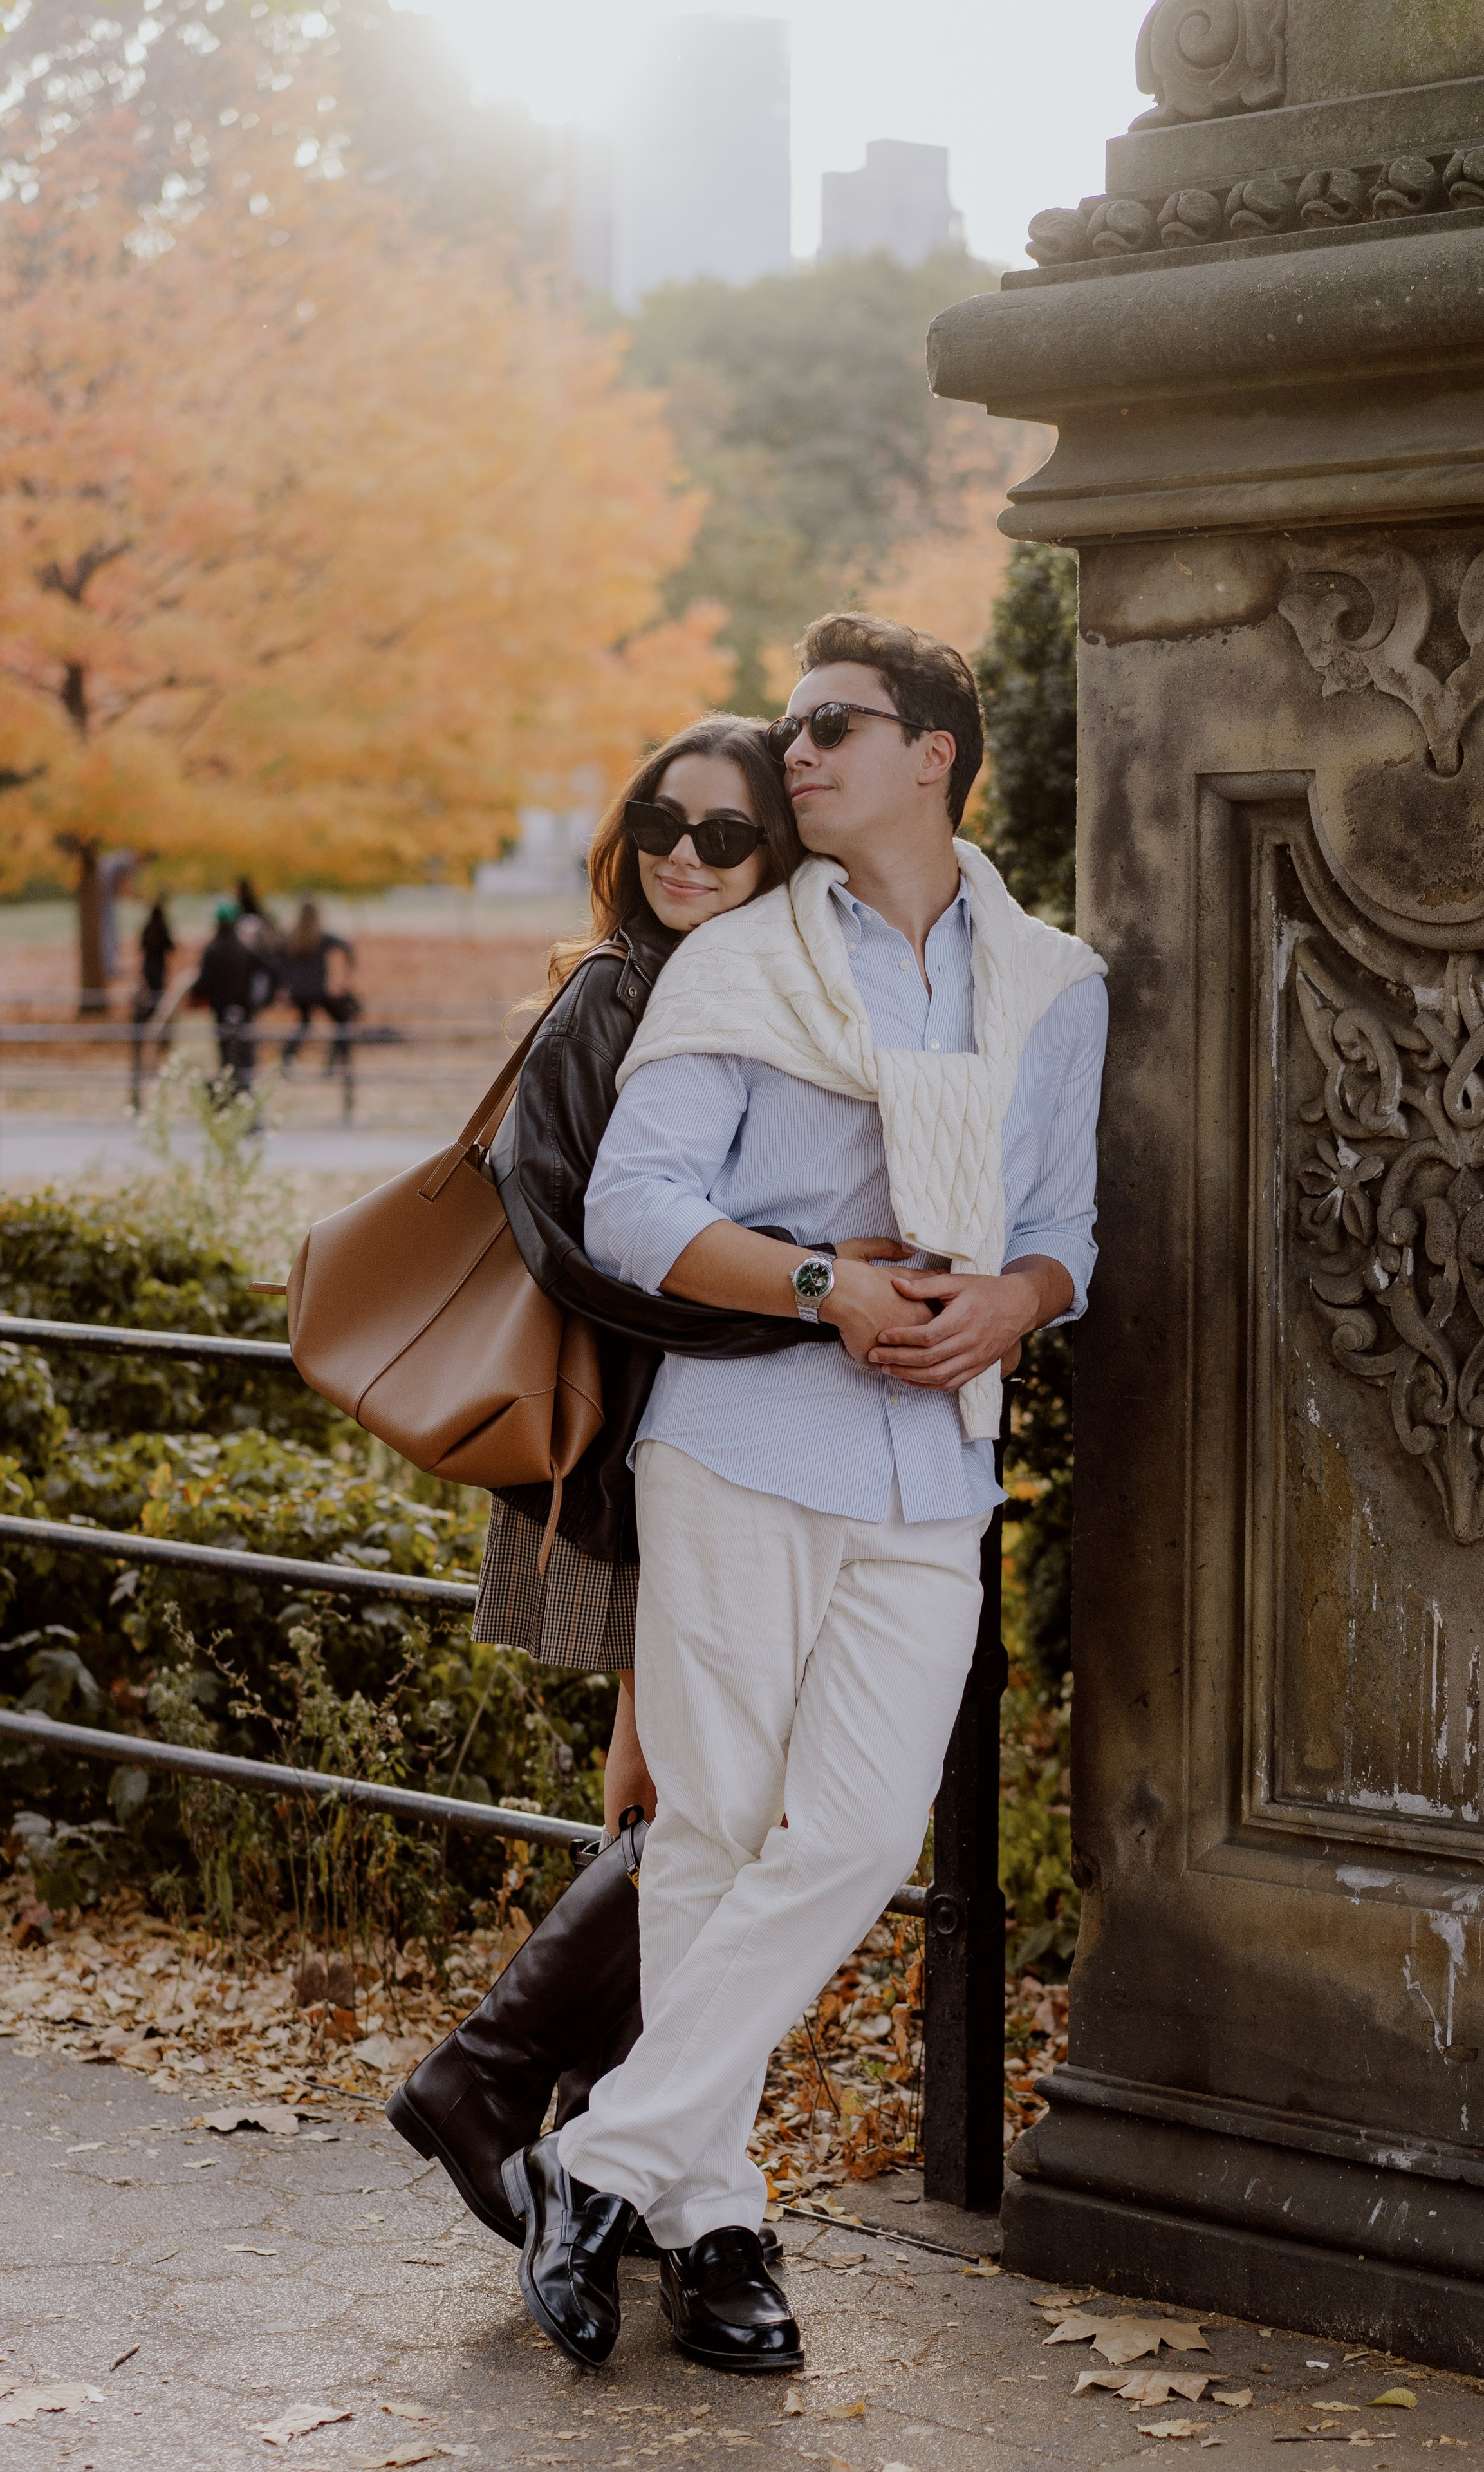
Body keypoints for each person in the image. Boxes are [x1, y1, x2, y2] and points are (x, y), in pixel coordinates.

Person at [502, 615, 1108, 2375]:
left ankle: (600, 2161)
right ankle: (715, 2226)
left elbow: (1064, 1227)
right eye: (791, 726)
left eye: (832, 725)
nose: (798, 752)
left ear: (933, 753)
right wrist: (821, 1284)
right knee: (710, 1829)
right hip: (741, 1445)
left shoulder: (1051, 984)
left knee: (851, 1836)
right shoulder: (737, 961)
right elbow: (633, 1208)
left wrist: (1014, 1300)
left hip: (934, 1464)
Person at [388, 714, 862, 2258]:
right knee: (681, 1797)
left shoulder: (742, 989)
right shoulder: (617, 987)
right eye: (661, 822)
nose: (684, 855)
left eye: (724, 834)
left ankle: (599, 2126)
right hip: (636, 1446)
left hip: (720, 1438)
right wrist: (804, 1301)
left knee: (690, 1795)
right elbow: (582, 1241)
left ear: (778, 854)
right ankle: (499, 2078)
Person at [190, 899, 274, 1098]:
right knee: (245, 1051)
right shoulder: (244, 950)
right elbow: (270, 970)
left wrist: (196, 993)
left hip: (221, 1009)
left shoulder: (213, 950)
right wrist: (263, 999)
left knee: (226, 1053)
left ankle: (229, 1090)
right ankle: (244, 1091)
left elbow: (203, 983)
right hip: (245, 1008)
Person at [281, 901, 358, 1076]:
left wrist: (285, 982)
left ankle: (286, 1059)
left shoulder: (292, 937)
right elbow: (347, 947)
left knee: (304, 1025)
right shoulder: (321, 937)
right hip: (318, 991)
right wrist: (348, 972)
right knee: (342, 1023)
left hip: (299, 992)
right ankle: (334, 1065)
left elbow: (277, 960)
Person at [129, 900, 175, 1107]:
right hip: (160, 970)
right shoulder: (163, 927)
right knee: (158, 1002)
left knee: (150, 1003)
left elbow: (141, 948)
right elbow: (171, 947)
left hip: (149, 969)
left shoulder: (148, 928)